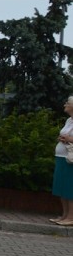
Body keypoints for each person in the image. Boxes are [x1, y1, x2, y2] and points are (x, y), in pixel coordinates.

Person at [51, 95, 73, 225]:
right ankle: (64, 215)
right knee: (61, 187)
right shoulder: (69, 121)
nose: (65, 104)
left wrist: (69, 139)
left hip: (70, 159)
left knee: (69, 188)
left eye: (67, 102)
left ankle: (71, 217)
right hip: (61, 157)